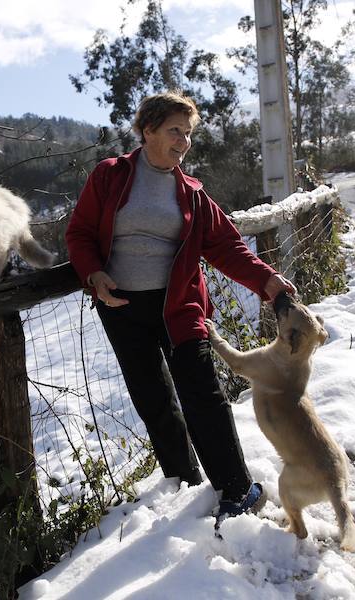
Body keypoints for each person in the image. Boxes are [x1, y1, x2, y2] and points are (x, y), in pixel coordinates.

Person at [65, 91, 296, 522]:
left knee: (203, 393)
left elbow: (227, 245)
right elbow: (79, 233)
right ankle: (184, 481)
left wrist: (266, 280)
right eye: (175, 131)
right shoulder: (110, 176)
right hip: (121, 306)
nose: (183, 142)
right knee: (153, 399)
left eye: (187, 134)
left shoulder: (190, 192)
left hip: (180, 306)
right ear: (147, 130)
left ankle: (237, 491)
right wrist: (94, 274)